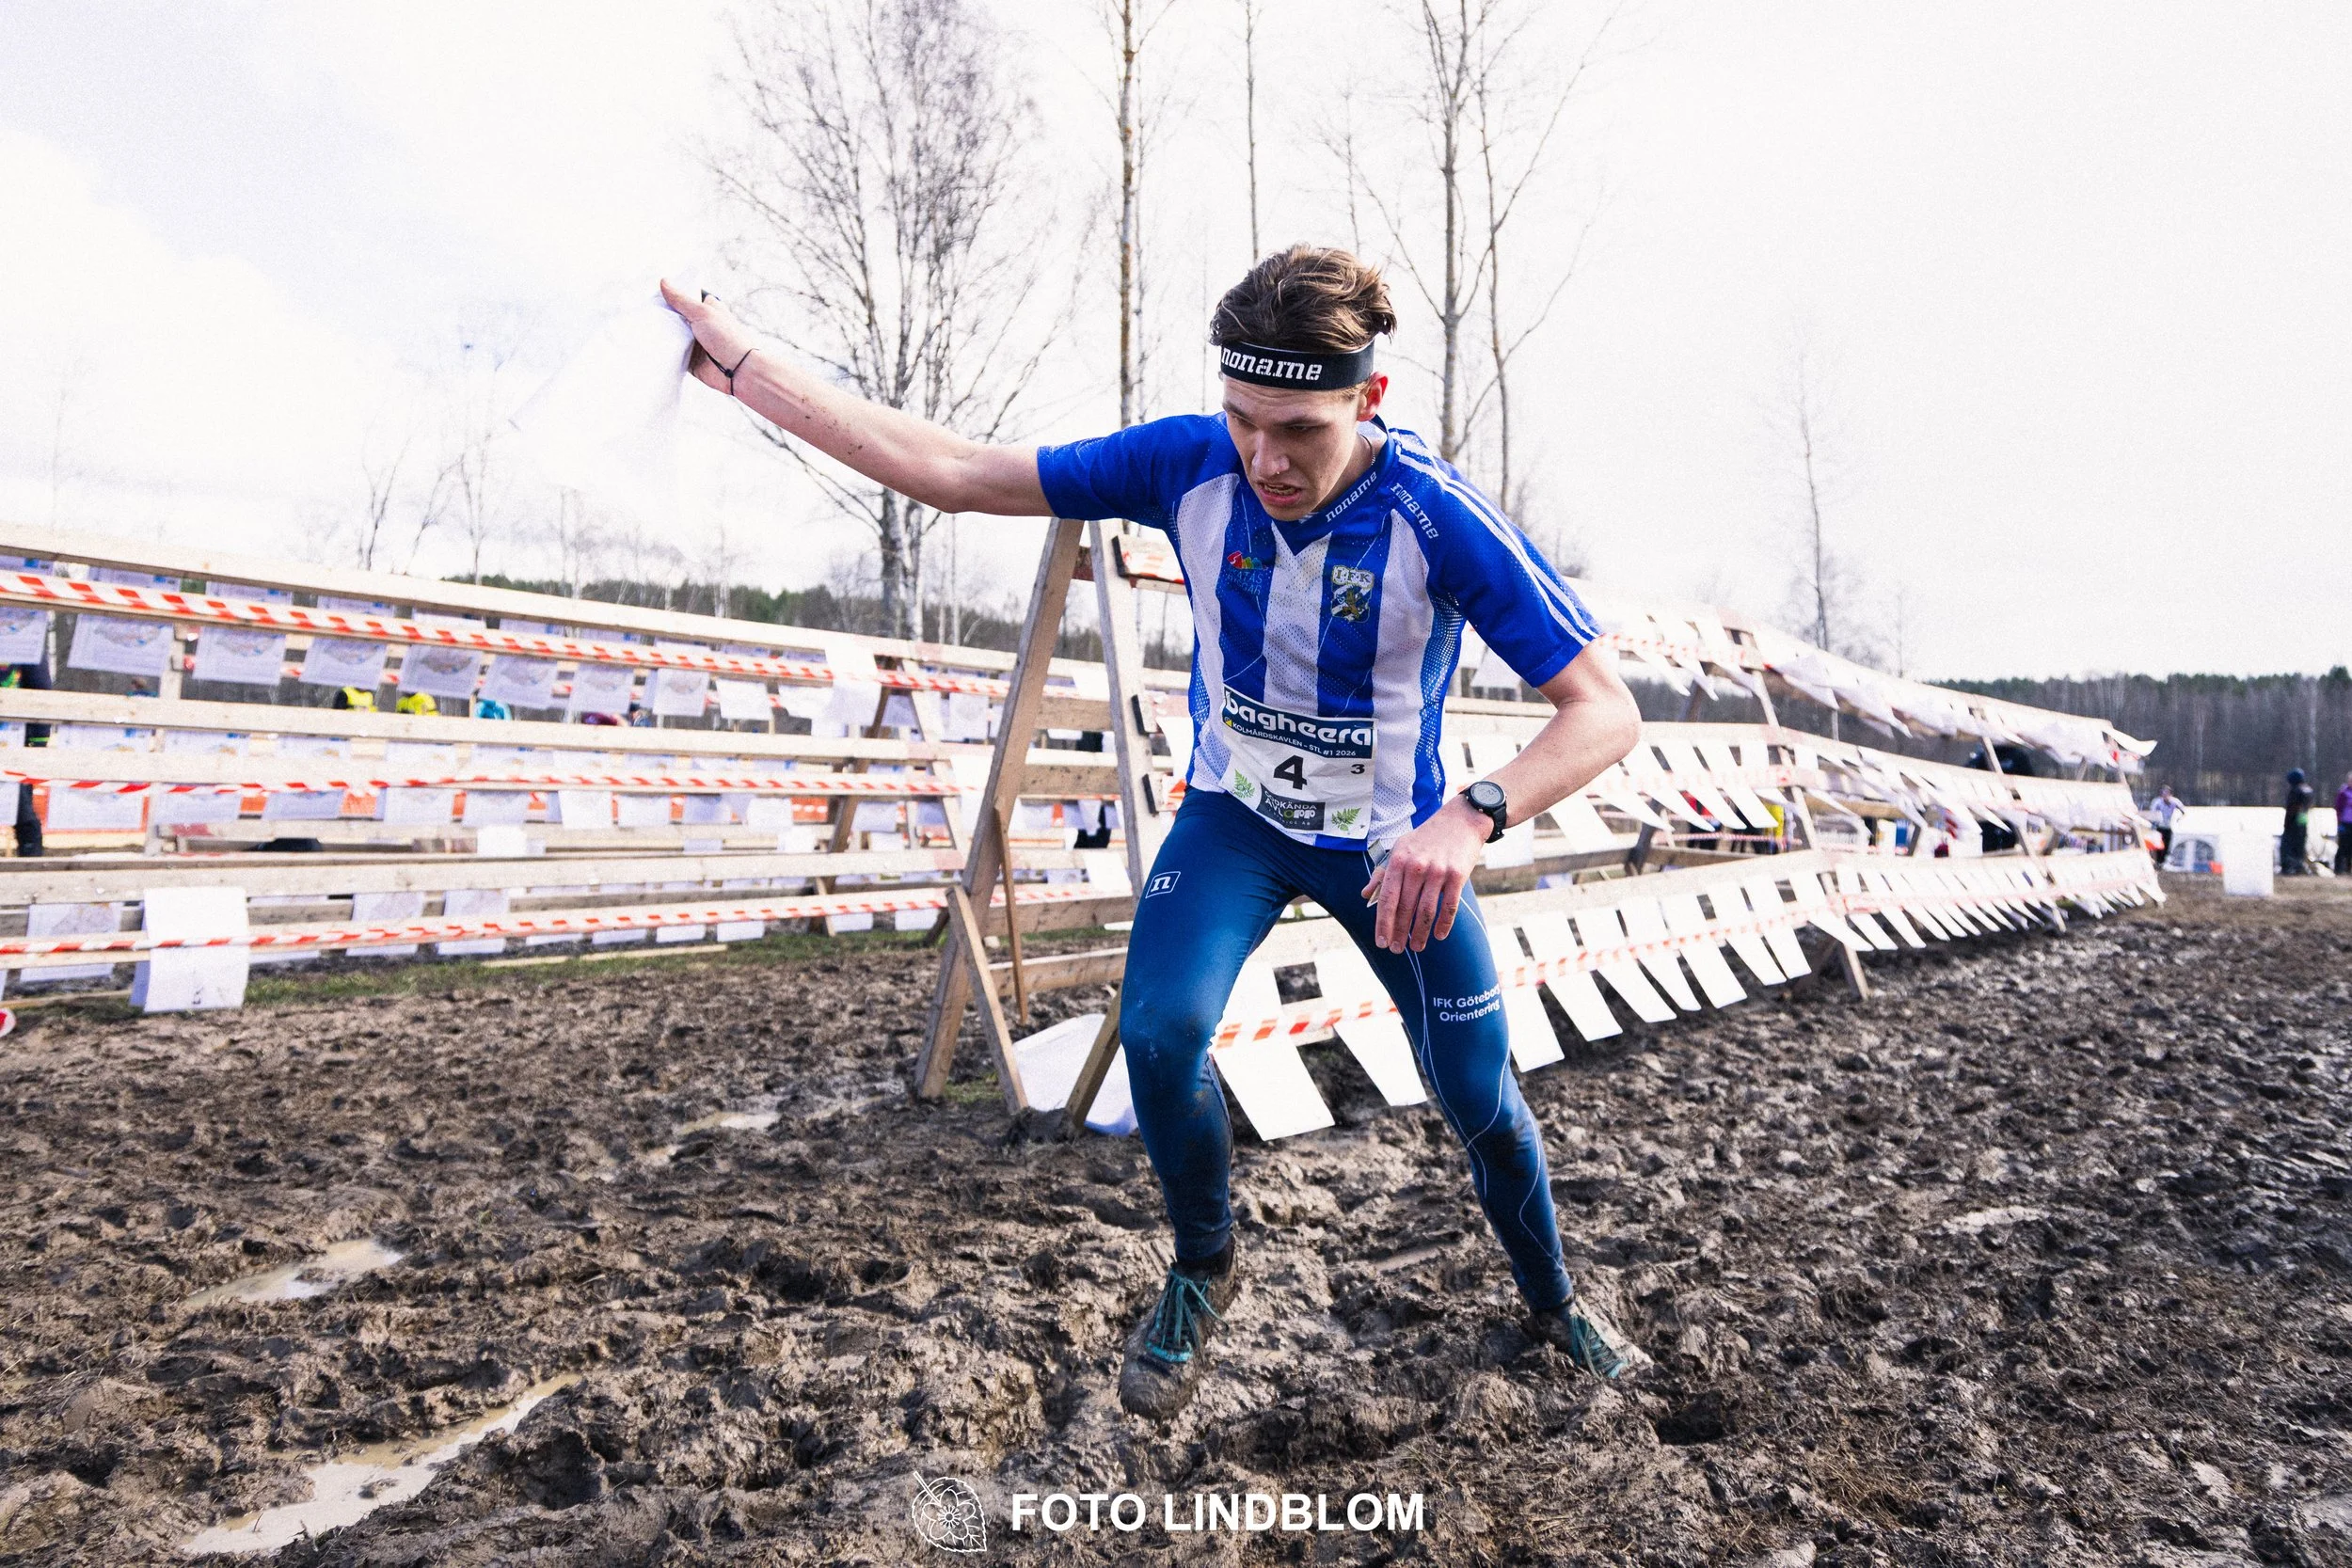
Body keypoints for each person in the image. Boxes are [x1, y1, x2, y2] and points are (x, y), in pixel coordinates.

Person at [664, 248, 1650, 1416]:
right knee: (1162, 1032)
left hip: (1391, 848)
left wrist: (1471, 815)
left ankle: (1551, 1301)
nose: (1265, 459)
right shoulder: (1189, 462)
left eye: (1298, 431)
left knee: (1477, 1094)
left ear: (1366, 400)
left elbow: (1605, 708)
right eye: (1243, 421)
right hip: (1235, 820)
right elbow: (953, 471)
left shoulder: (1435, 518)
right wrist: (744, 366)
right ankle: (1202, 1264)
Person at [2282, 768, 2314, 876]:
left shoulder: (2295, 791)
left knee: (2289, 845)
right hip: (2303, 820)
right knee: (2300, 844)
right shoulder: (2308, 790)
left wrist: (2286, 823)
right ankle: (2299, 866)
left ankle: (2289, 867)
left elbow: (2291, 808)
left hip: (2293, 821)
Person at [2146, 784, 2184, 868]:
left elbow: (2183, 810)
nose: (2165, 796)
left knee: (2167, 846)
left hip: (2168, 827)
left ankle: (2162, 861)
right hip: (2159, 827)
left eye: (2167, 794)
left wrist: (2178, 819)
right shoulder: (2157, 802)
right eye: (2163, 794)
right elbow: (2152, 812)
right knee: (2158, 845)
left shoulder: (2174, 802)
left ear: (2170, 794)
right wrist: (2154, 823)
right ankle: (2157, 861)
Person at [2336, 772, 2352, 877]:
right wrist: (2339, 823)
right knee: (2343, 846)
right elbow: (2338, 808)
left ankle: (2348, 868)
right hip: (2345, 823)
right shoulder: (2343, 793)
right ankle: (2338, 869)